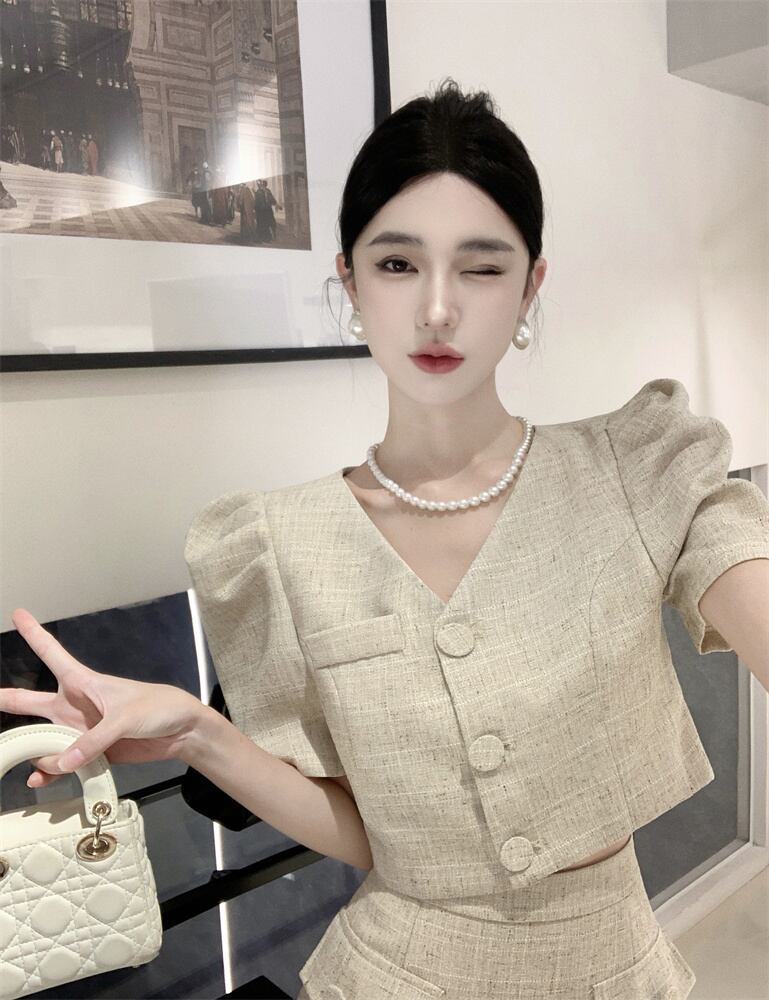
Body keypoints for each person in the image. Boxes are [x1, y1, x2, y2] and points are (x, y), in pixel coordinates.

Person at [3, 79, 769, 1000]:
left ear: (530, 286)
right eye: (398, 263)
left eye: (480, 267)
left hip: (612, 966)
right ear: (351, 284)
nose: (437, 309)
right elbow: (372, 837)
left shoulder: (634, 469)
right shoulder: (281, 545)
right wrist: (200, 734)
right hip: (391, 975)